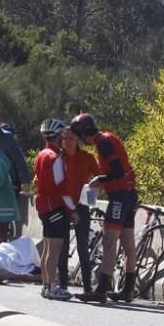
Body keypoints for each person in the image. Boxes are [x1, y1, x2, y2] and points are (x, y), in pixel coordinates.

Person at [69, 113, 139, 302]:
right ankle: (128, 290)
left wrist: (99, 179)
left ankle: (100, 290)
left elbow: (116, 171)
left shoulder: (103, 143)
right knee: (129, 247)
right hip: (130, 195)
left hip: (120, 197)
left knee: (109, 243)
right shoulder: (109, 138)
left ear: (84, 134)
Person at [33, 118, 77, 301]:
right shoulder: (55, 157)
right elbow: (61, 187)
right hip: (55, 206)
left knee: (47, 247)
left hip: (43, 205)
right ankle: (52, 287)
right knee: (55, 250)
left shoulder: (41, 154)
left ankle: (46, 285)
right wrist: (73, 209)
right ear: (58, 136)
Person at [57, 125, 100, 296]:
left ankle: (88, 287)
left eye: (72, 139)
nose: (68, 142)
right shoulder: (58, 157)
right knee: (63, 246)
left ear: (78, 141)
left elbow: (98, 178)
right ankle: (62, 285)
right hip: (62, 205)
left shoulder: (87, 158)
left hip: (81, 206)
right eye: (65, 138)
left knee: (83, 246)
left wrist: (91, 196)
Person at [0, 108, 29, 238]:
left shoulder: (8, 138)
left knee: (3, 221)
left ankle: (3, 245)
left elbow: (19, 160)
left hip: (7, 186)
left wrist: (25, 180)